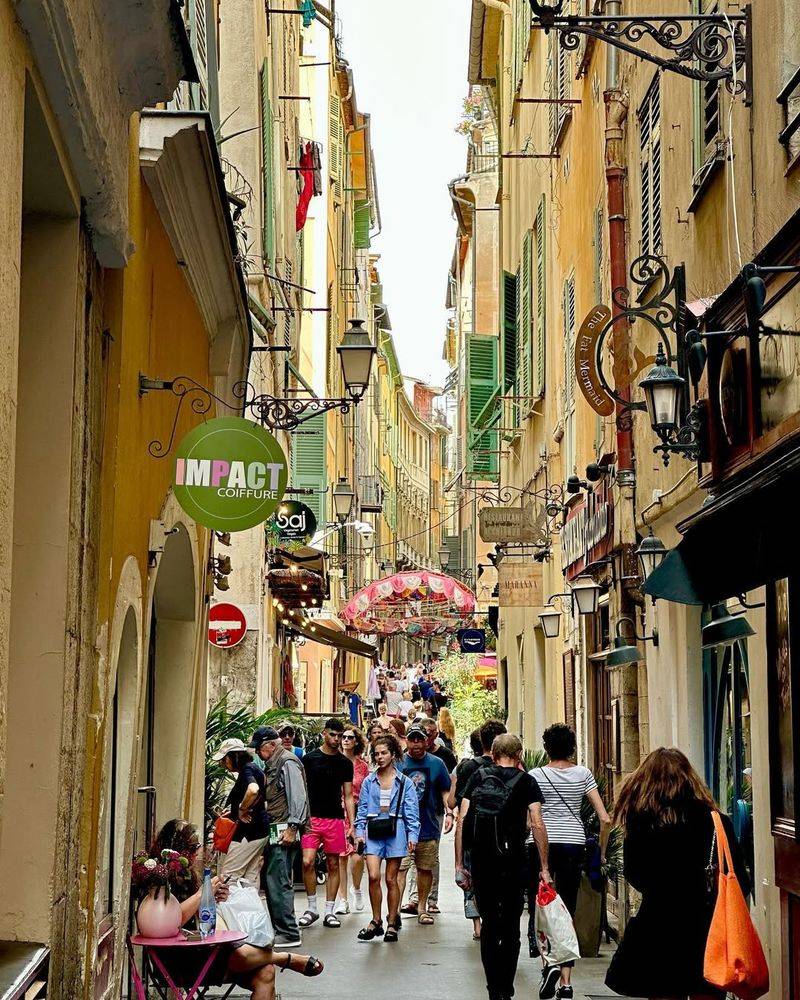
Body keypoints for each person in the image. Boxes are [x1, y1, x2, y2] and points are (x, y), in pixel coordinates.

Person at [605, 747, 750, 1000]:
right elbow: (739, 878)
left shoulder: (640, 823)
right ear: (689, 779)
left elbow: (633, 872)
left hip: (658, 928)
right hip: (707, 930)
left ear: (645, 782)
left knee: (663, 992)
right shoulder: (716, 821)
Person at [150, 819, 323, 1000]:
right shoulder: (160, 878)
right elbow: (172, 920)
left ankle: (282, 959)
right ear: (180, 849)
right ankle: (286, 958)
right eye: (195, 846)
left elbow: (199, 914)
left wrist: (214, 897)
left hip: (203, 951)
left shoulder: (189, 875)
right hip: (180, 961)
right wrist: (203, 894)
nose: (200, 851)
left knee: (266, 972)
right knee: (241, 955)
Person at [456, 735, 551, 1000]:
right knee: (510, 926)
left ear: (493, 753)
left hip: (483, 862)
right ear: (519, 754)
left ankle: (492, 989)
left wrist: (459, 864)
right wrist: (544, 866)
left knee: (489, 925)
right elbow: (537, 823)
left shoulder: (478, 777)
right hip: (514, 861)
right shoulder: (527, 781)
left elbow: (463, 820)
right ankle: (506, 989)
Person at [528, 723, 612, 1000]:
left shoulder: (535, 775)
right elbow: (605, 818)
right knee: (567, 911)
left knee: (544, 909)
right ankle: (566, 982)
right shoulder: (583, 774)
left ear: (546, 748)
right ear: (572, 748)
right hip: (574, 844)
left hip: (542, 846)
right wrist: (600, 852)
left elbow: (531, 818)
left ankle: (548, 967)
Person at [355, 733, 421, 942]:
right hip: (373, 830)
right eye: (377, 754)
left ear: (393, 754)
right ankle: (376, 920)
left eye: (384, 753)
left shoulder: (405, 782)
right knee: (373, 875)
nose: (380, 757)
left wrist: (413, 835)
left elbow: (412, 811)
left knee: (391, 879)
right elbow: (362, 808)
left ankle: (392, 921)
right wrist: (359, 833)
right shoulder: (369, 781)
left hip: (396, 829)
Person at [250, 726, 309, 949]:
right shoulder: (276, 762)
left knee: (280, 880)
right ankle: (283, 930)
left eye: (259, 748)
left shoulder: (287, 762)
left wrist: (293, 828)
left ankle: (289, 932)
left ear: (271, 745)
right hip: (279, 829)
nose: (257, 753)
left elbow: (298, 797)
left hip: (285, 830)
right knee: (274, 879)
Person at [299, 718, 355, 928]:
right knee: (307, 861)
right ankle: (312, 907)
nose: (337, 739)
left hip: (335, 819)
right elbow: (301, 789)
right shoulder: (309, 759)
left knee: (334, 864)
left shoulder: (344, 763)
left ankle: (329, 910)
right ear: (324, 733)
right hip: (311, 818)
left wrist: (352, 824)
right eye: (333, 734)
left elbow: (348, 795)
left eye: (340, 736)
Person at [396, 723, 453, 924]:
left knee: (425, 868)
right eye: (413, 739)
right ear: (407, 740)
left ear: (427, 740)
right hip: (401, 827)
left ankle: (422, 907)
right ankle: (394, 911)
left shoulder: (437, 763)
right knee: (400, 868)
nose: (417, 743)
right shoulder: (398, 762)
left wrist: (449, 813)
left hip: (428, 824)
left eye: (420, 739)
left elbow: (445, 790)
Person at [212, 739, 270, 885]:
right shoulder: (253, 768)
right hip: (258, 830)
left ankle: (227, 907)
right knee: (250, 878)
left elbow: (253, 790)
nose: (223, 764)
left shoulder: (247, 770)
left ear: (234, 757)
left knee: (228, 877)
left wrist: (241, 809)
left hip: (248, 832)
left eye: (225, 760)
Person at [450, 728, 486, 939]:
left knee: (470, 879)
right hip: (497, 834)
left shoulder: (465, 767)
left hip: (470, 831)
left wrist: (455, 782)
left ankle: (477, 926)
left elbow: (452, 802)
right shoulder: (505, 766)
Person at [336, 727, 370, 914]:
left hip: (357, 813)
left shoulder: (362, 766)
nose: (346, 740)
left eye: (350, 737)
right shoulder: (335, 762)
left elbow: (365, 793)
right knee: (340, 858)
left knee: (357, 857)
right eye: (343, 737)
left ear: (356, 741)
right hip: (337, 813)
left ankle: (356, 888)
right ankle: (343, 900)